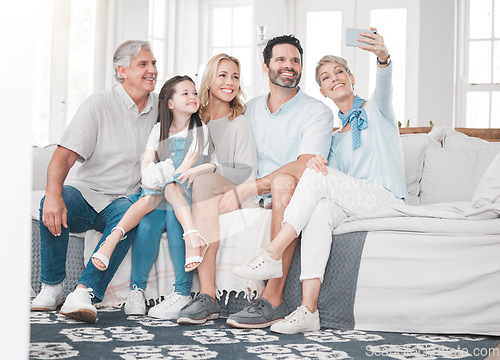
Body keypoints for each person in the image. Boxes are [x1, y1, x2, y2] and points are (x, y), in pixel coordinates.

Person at [233, 28, 408, 334]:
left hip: (386, 200)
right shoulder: (333, 137)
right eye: (326, 77)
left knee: (314, 175)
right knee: (317, 210)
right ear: (323, 92)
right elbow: (331, 185)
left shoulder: (377, 109)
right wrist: (316, 164)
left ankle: (273, 252)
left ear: (351, 77)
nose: (334, 78)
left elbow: (385, 80)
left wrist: (383, 56)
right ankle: (307, 309)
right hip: (355, 206)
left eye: (340, 71)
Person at [178, 35, 334, 327]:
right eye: (281, 60)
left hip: (286, 194)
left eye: (295, 61)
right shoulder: (247, 109)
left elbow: (305, 165)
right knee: (202, 184)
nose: (289, 66)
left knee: (284, 182)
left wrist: (247, 188)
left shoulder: (317, 112)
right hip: (247, 193)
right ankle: (207, 296)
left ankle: (273, 299)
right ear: (266, 67)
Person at [31, 40, 159, 323]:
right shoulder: (98, 104)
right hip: (86, 195)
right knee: (52, 199)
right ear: (122, 70)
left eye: (153, 64)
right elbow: (63, 156)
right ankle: (52, 286)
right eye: (143, 65)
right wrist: (53, 195)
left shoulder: (162, 107)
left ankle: (84, 291)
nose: (152, 70)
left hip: (123, 201)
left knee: (131, 212)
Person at [171, 53, 258, 324]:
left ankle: (208, 295)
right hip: (198, 188)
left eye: (234, 76)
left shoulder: (238, 122)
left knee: (204, 180)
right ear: (209, 81)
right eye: (222, 75)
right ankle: (179, 290)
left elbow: (247, 170)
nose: (230, 82)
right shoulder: (194, 118)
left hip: (231, 185)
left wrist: (211, 170)